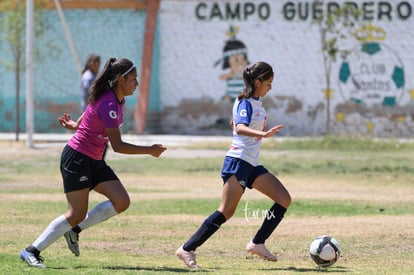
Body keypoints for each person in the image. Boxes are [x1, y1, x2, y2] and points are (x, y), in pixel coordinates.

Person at [20, 57, 167, 268]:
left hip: (94, 159)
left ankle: (74, 230)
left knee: (121, 201)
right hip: (77, 158)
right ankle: (31, 250)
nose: (137, 83)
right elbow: (117, 145)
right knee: (76, 213)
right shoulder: (109, 103)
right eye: (134, 79)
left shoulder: (115, 99)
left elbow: (91, 109)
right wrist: (149, 151)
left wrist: (76, 124)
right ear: (120, 80)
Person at [175, 61, 291, 268]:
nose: (270, 87)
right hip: (238, 162)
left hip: (251, 164)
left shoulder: (254, 102)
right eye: (268, 83)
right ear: (257, 81)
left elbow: (235, 123)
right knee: (226, 211)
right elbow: (240, 127)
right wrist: (263, 133)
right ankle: (187, 248)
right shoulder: (245, 101)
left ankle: (257, 243)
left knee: (283, 198)